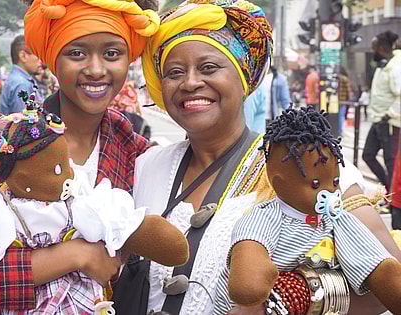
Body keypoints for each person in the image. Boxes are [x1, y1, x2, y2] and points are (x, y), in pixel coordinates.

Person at [134, 0, 401, 314]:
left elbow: (387, 277)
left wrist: (292, 298)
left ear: (244, 78)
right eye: (175, 72)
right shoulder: (145, 166)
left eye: (208, 68)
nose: (190, 82)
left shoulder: (305, 165)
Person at [0, 0, 160, 313]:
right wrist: (77, 256)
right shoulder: (7, 141)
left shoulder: (133, 150)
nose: (95, 69)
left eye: (112, 53)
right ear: (52, 60)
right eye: (76, 53)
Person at [363, 31, 401, 194]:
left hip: (390, 122)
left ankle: (393, 198)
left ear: (383, 48)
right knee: (368, 155)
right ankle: (389, 191)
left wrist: (389, 114)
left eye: (374, 48)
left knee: (391, 162)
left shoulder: (396, 67)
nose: (373, 52)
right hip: (378, 120)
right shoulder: (383, 65)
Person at [0, 35, 43, 115]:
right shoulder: (22, 84)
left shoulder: (18, 80)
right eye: (38, 55)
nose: (41, 61)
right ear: (23, 56)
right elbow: (23, 124)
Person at [338, 66, 353, 137]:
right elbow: (348, 91)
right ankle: (340, 131)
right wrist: (349, 99)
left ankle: (336, 130)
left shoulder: (336, 78)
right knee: (341, 116)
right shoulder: (344, 79)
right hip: (343, 101)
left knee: (335, 116)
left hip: (334, 100)